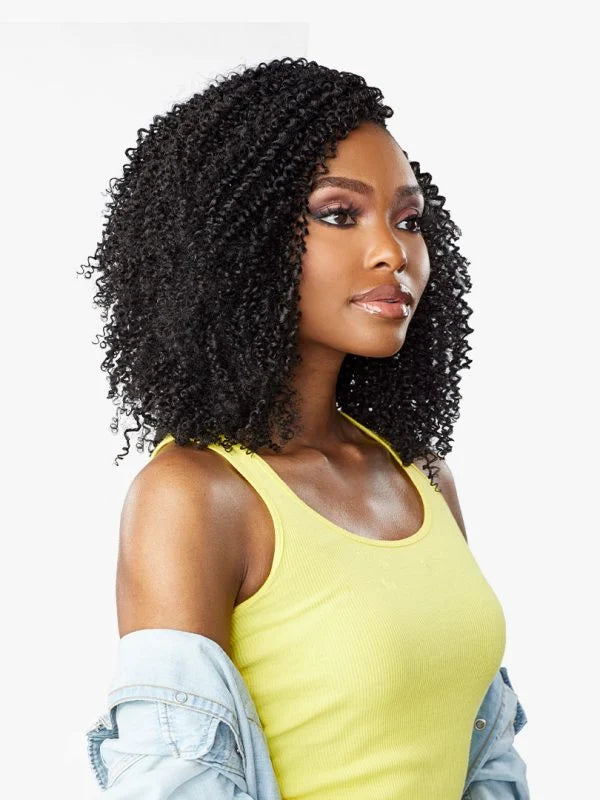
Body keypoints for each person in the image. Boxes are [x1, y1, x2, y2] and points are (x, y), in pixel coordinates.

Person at [83, 56, 528, 799]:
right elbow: (175, 782)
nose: (393, 251)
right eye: (339, 214)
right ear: (237, 240)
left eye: (408, 220)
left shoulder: (420, 475)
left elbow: (484, 757)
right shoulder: (195, 494)